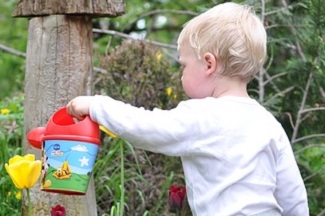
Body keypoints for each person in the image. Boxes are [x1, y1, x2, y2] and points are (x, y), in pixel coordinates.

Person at [66, 2, 308, 216]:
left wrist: (96, 105)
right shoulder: (267, 123)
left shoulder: (203, 115)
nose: (181, 73)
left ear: (209, 64)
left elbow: (146, 127)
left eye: (183, 65)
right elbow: (293, 198)